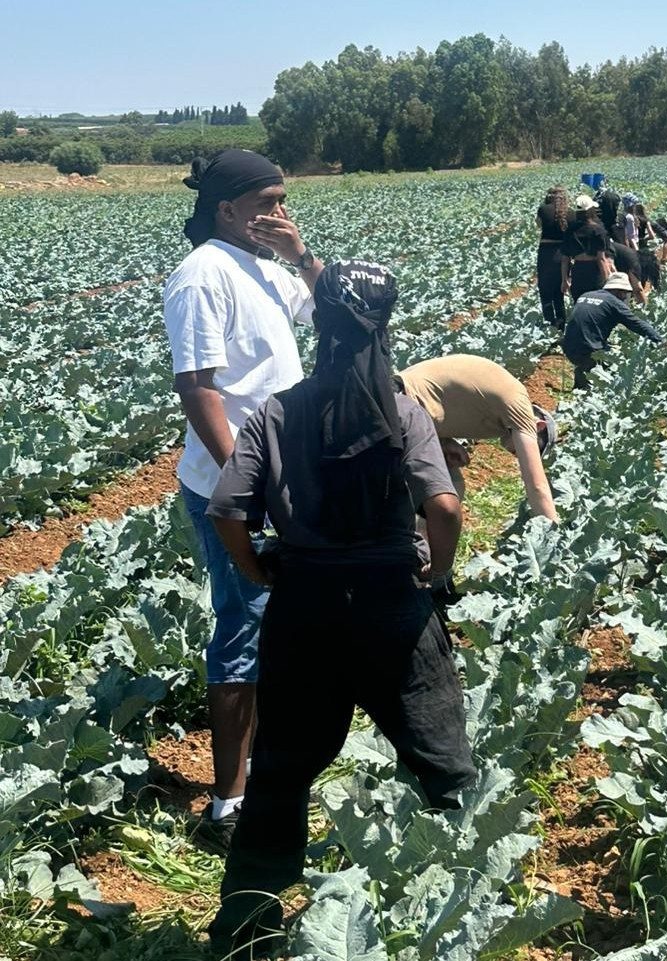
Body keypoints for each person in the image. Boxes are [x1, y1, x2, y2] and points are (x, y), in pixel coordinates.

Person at [204, 261, 475, 960]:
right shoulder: (403, 410)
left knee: (282, 770)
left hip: (306, 612)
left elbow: (228, 510)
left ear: (316, 325)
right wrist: (435, 573)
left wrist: (257, 567)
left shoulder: (278, 411)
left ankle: (248, 923)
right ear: (385, 327)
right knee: (444, 763)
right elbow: (443, 507)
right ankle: (471, 907)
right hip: (392, 608)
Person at [162, 148, 324, 855]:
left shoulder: (260, 266)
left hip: (276, 477)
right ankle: (226, 803)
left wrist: (304, 254)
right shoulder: (201, 276)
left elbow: (333, 314)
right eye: (267, 203)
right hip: (235, 487)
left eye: (284, 201)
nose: (279, 214)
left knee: (274, 623)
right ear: (225, 209)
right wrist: (245, 481)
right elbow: (198, 388)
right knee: (243, 625)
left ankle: (259, 769)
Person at [396, 354, 559, 523]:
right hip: (403, 407)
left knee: (452, 486)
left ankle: (422, 543)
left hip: (399, 401)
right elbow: (537, 487)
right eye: (536, 447)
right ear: (538, 426)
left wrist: (444, 442)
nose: (518, 455)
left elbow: (442, 396)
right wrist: (552, 534)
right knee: (438, 499)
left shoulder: (499, 414)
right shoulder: (520, 406)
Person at [562, 272, 666, 389]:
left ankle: (581, 379)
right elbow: (637, 324)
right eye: (625, 293)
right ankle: (584, 390)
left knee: (595, 356)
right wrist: (661, 341)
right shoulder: (614, 302)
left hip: (568, 347)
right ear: (619, 291)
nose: (625, 297)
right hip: (588, 349)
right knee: (614, 370)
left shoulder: (586, 295)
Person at [561, 196, 611, 302]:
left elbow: (565, 258)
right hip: (594, 272)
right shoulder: (598, 230)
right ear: (590, 211)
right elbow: (601, 259)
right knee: (596, 305)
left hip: (578, 271)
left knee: (579, 304)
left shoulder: (570, 231)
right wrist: (608, 280)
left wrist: (564, 280)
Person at [536, 186, 570, 329]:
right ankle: (561, 324)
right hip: (562, 253)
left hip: (546, 252)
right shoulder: (569, 213)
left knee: (545, 290)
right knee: (558, 292)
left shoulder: (543, 209)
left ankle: (549, 323)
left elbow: (538, 225)